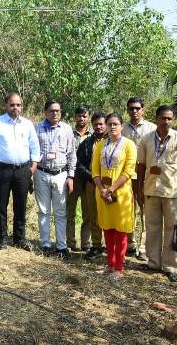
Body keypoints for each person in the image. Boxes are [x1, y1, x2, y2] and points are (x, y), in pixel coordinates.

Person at [137, 105, 177, 282]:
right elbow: (140, 166)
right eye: (163, 118)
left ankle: (171, 266)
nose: (166, 121)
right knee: (152, 227)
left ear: (173, 120)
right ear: (156, 119)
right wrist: (139, 190)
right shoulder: (146, 140)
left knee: (172, 229)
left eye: (169, 118)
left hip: (172, 192)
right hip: (151, 190)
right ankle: (153, 262)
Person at [0, 93, 41, 250]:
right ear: (5, 106)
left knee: (20, 205)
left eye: (18, 104)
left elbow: (35, 147)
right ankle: (1, 238)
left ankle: (19, 238)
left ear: (21, 106)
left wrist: (32, 168)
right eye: (12, 104)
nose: (15, 107)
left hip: (23, 170)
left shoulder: (28, 124)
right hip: (2, 169)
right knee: (1, 205)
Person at [91, 113, 137, 279]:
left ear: (122, 125)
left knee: (120, 230)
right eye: (109, 124)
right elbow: (95, 170)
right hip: (102, 193)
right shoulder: (100, 145)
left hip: (121, 194)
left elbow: (128, 171)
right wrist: (103, 189)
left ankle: (118, 267)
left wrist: (111, 189)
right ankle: (110, 264)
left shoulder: (129, 145)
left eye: (115, 124)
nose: (112, 127)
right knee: (107, 228)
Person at [34, 100, 76, 258]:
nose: (55, 114)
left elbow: (72, 154)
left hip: (60, 174)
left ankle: (61, 246)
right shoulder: (37, 128)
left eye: (58, 111)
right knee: (43, 210)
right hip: (41, 173)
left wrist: (71, 176)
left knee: (60, 212)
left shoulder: (66, 129)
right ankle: (45, 244)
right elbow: (32, 151)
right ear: (45, 112)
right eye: (51, 111)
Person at [122, 96, 156, 259]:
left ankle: (143, 248)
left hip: (146, 175)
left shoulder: (152, 128)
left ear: (143, 110)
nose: (134, 111)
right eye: (131, 108)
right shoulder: (123, 129)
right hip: (127, 176)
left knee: (145, 210)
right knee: (129, 209)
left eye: (137, 108)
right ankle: (130, 243)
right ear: (127, 110)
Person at [75, 112, 107, 260]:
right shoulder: (86, 143)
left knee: (109, 214)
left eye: (101, 124)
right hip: (91, 183)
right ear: (92, 126)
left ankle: (112, 246)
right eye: (96, 124)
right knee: (92, 215)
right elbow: (79, 164)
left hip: (110, 185)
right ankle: (96, 246)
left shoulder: (115, 141)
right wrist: (93, 178)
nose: (98, 127)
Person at [67, 105, 92, 251]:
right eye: (79, 116)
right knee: (69, 211)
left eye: (85, 116)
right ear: (75, 117)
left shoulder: (94, 134)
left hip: (88, 178)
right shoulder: (68, 132)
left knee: (87, 213)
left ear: (88, 117)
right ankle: (70, 243)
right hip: (72, 177)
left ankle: (86, 244)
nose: (82, 119)